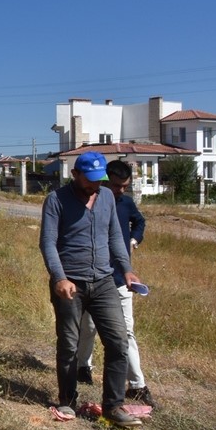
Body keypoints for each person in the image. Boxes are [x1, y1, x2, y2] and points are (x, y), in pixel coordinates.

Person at [39, 151, 144, 428]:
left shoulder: (107, 197)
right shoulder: (56, 200)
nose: (96, 186)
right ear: (75, 174)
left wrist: (127, 270)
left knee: (118, 341)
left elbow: (114, 237)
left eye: (100, 180)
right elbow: (48, 243)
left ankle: (113, 406)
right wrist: (59, 278)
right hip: (70, 284)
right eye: (91, 180)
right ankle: (67, 400)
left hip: (104, 282)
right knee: (70, 343)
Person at [75, 159, 155, 407]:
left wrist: (134, 240)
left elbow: (139, 222)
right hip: (92, 278)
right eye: (117, 185)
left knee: (126, 332)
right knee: (87, 328)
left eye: (125, 186)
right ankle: (82, 367)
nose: (121, 190)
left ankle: (137, 385)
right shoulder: (90, 202)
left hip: (120, 279)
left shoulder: (126, 203)